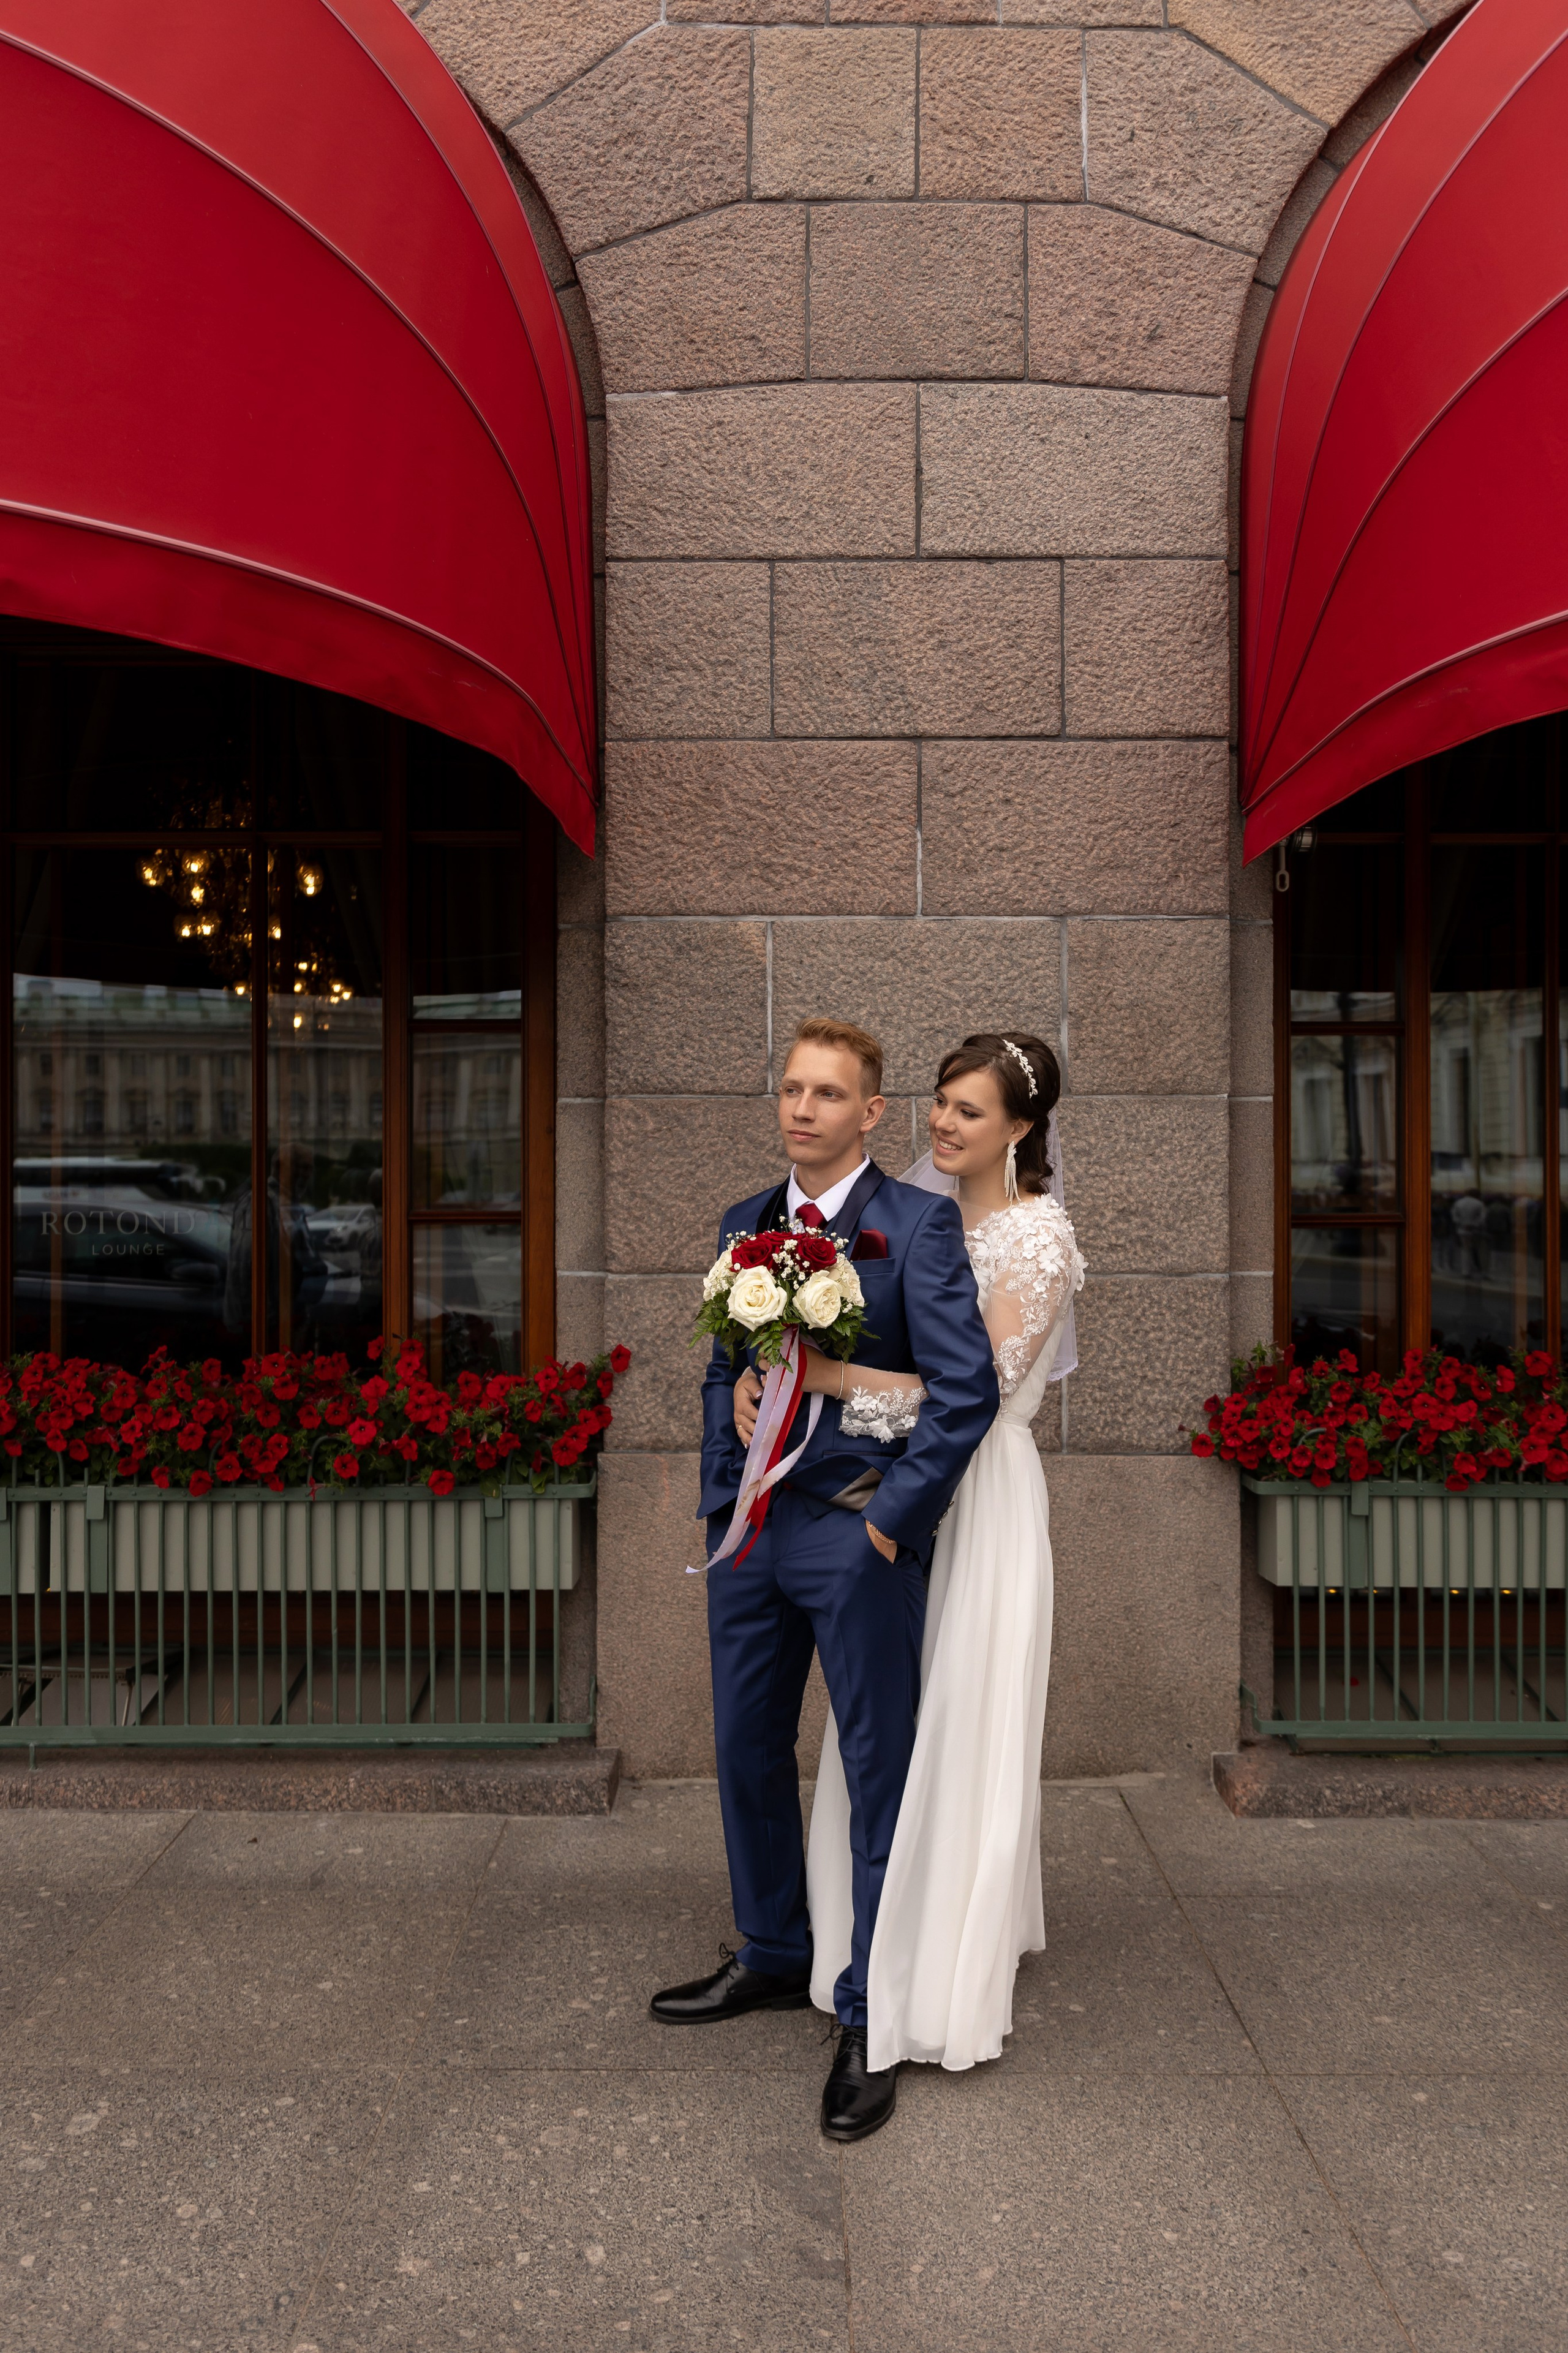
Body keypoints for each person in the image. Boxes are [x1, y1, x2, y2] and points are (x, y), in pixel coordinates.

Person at [649, 1017, 998, 2143]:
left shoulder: (917, 1226)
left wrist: (892, 1523)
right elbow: (721, 1368)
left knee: (874, 1762)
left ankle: (870, 2012)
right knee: (743, 1741)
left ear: (871, 1112)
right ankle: (770, 1949)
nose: (802, 1109)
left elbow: (962, 1393)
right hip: (752, 1533)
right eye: (791, 1089)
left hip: (857, 1533)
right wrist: (732, 1442)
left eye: (827, 1093)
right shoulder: (744, 1223)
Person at [739, 1033, 1085, 2078]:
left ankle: (936, 1973)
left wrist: (828, 1375)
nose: (945, 1123)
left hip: (978, 1503)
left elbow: (961, 1396)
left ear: (1019, 1130)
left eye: (970, 1112)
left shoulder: (1036, 1242)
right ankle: (858, 1947)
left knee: (957, 1729)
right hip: (883, 1496)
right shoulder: (916, 1219)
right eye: (940, 1102)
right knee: (884, 1731)